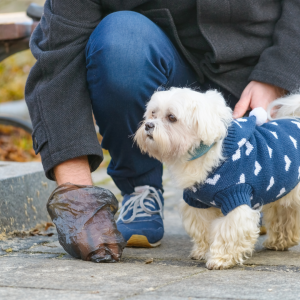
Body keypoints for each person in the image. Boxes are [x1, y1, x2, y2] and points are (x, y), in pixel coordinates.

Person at [25, 0, 299, 260]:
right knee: (122, 38)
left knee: (254, 173)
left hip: (252, 78)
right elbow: (57, 58)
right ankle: (140, 188)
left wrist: (277, 74)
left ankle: (254, 190)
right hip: (154, 65)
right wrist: (77, 194)